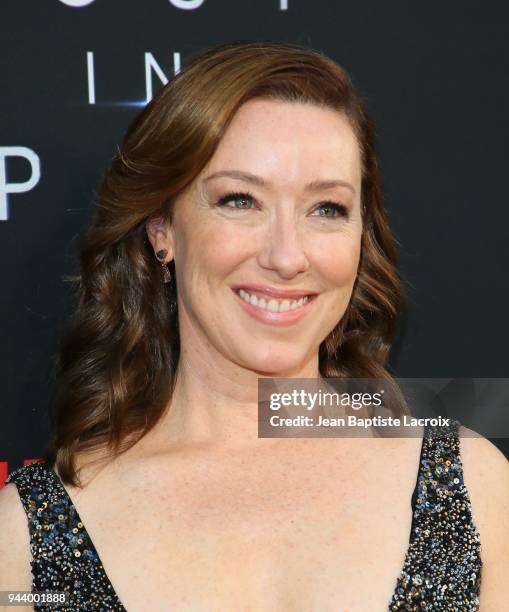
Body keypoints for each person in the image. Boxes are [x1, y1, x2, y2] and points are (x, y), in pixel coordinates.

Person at [0, 41, 507, 611]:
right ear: (161, 227)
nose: (288, 256)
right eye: (240, 200)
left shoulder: (471, 488)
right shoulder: (30, 535)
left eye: (327, 209)